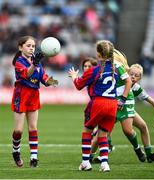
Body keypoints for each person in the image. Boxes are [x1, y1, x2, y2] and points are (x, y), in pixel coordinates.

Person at [68, 40, 132, 172]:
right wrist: (123, 99)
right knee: (103, 134)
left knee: (87, 131)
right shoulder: (117, 68)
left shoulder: (94, 70)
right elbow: (128, 81)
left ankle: (86, 162)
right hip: (113, 104)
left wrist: (74, 76)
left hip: (98, 103)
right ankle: (105, 164)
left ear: (98, 55)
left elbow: (79, 85)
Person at [11, 36, 58, 168]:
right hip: (21, 95)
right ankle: (16, 151)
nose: (31, 48)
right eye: (28, 45)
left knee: (33, 127)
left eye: (33, 46)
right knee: (19, 130)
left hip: (34, 95)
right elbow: (27, 74)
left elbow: (43, 77)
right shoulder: (19, 62)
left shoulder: (36, 61)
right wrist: (34, 64)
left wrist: (52, 81)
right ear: (21, 48)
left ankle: (34, 157)